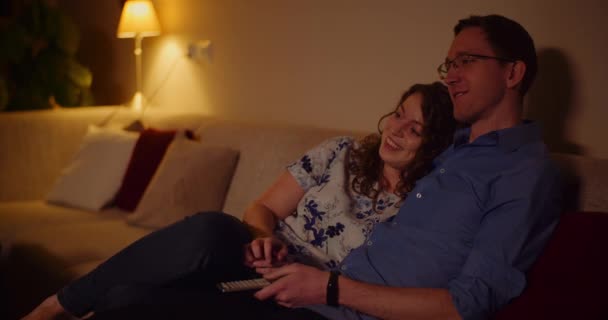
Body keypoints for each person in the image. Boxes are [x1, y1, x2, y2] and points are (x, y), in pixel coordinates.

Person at [82, 13, 562, 320]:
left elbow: (468, 304)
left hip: (329, 302)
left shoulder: (523, 173)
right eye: (448, 63)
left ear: (513, 73)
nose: (451, 75)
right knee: (131, 293)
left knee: (135, 305)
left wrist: (332, 288)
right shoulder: (449, 148)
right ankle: (64, 303)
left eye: (467, 61)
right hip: (310, 289)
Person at [22, 81, 457, 320]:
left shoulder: (420, 205)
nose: (398, 129)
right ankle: (57, 305)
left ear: (432, 145)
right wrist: (263, 239)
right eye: (400, 113)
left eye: (415, 129)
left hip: (303, 298)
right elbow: (260, 209)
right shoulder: (342, 151)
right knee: (212, 227)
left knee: (128, 301)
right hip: (258, 262)